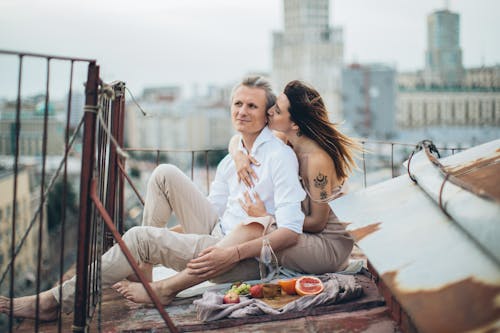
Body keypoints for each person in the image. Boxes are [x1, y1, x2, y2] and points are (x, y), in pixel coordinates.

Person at [0, 76, 306, 320]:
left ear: (267, 115)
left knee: (138, 238)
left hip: (244, 257)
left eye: (252, 106)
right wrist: (169, 236)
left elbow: (291, 231)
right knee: (163, 173)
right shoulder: (233, 157)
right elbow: (213, 210)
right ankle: (144, 272)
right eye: (237, 103)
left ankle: (54, 301)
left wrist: (232, 253)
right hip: (218, 233)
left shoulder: (278, 157)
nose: (242, 111)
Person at [229, 80, 362, 275]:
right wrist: (238, 156)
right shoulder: (287, 140)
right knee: (251, 231)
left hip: (327, 248)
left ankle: (210, 263)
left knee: (255, 231)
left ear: (294, 123)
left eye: (278, 110)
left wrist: (268, 217)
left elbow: (318, 223)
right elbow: (237, 139)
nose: (270, 111)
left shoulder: (317, 160)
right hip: (303, 235)